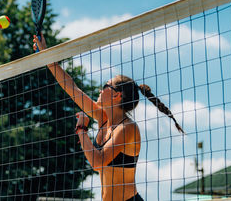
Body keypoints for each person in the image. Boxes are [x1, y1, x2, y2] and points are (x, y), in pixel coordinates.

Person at [33, 34, 184, 201]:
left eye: (105, 86)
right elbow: (72, 89)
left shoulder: (127, 128)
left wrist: (82, 129)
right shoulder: (104, 119)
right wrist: (47, 58)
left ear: (116, 95)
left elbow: (98, 163)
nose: (100, 89)